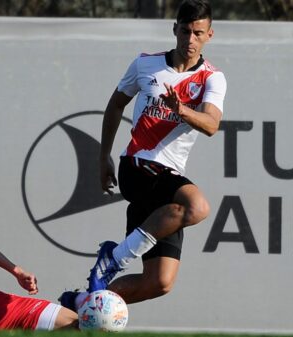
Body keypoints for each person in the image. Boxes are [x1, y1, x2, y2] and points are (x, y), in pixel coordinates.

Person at [60, 0, 226, 310]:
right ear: (174, 29)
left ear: (209, 35)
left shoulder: (212, 78)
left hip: (166, 183)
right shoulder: (145, 64)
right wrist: (103, 156)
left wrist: (182, 111)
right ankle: (115, 257)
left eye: (198, 33)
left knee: (159, 282)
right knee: (198, 206)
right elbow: (115, 105)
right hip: (138, 166)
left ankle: (80, 305)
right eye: (185, 31)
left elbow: (212, 125)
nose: (190, 40)